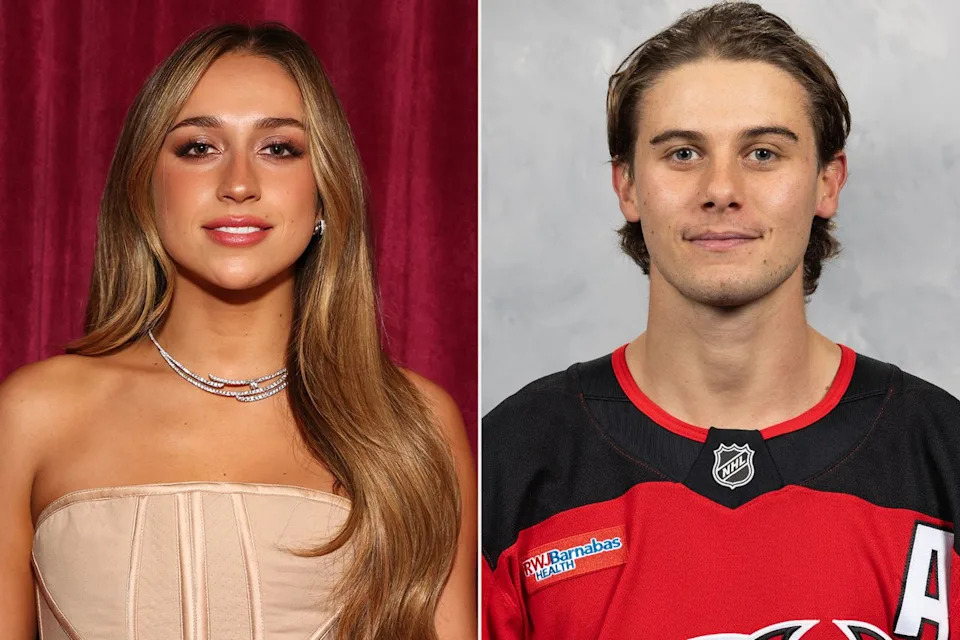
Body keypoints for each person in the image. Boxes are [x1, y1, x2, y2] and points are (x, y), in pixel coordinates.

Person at [482, 3, 960, 638]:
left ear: (827, 181)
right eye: (682, 153)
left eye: (763, 152)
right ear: (627, 186)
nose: (721, 188)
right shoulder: (511, 462)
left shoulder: (941, 454)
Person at [0, 23, 476, 640]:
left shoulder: (412, 421)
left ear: (326, 190)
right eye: (198, 147)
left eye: (279, 148)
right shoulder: (35, 413)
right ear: (145, 185)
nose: (239, 184)